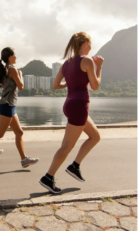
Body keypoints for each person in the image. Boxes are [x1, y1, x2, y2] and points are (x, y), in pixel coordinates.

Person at [39, 32, 104, 194]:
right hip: (80, 105)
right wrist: (100, 67)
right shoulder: (87, 61)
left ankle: (75, 166)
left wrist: (71, 83)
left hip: (69, 104)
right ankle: (48, 177)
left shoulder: (66, 64)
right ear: (84, 44)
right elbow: (95, 86)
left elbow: (55, 85)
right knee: (67, 146)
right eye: (90, 43)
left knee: (95, 136)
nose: (91, 46)